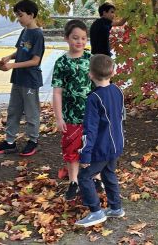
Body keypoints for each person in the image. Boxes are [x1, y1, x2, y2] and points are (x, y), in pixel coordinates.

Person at [51, 20, 103, 201]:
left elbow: (102, 86)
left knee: (93, 147)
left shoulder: (92, 60)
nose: (79, 42)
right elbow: (57, 92)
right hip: (71, 116)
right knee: (71, 149)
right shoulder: (61, 63)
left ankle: (96, 178)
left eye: (83, 38)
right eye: (75, 38)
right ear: (66, 38)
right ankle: (73, 181)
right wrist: (59, 118)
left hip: (93, 116)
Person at [0, 0, 45, 156]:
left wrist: (12, 66)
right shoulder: (24, 31)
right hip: (18, 79)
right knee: (13, 110)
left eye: (20, 15)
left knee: (31, 112)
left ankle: (33, 141)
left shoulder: (37, 34)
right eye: (17, 15)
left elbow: (35, 60)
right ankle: (9, 142)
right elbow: (19, 51)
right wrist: (8, 58)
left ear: (31, 14)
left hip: (30, 81)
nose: (18, 19)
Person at [75, 54, 125, 227]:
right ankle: (116, 208)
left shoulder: (94, 98)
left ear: (90, 75)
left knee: (84, 176)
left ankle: (96, 212)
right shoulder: (118, 91)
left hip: (102, 148)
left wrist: (85, 155)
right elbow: (120, 117)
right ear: (112, 73)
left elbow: (91, 129)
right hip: (117, 144)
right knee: (108, 173)